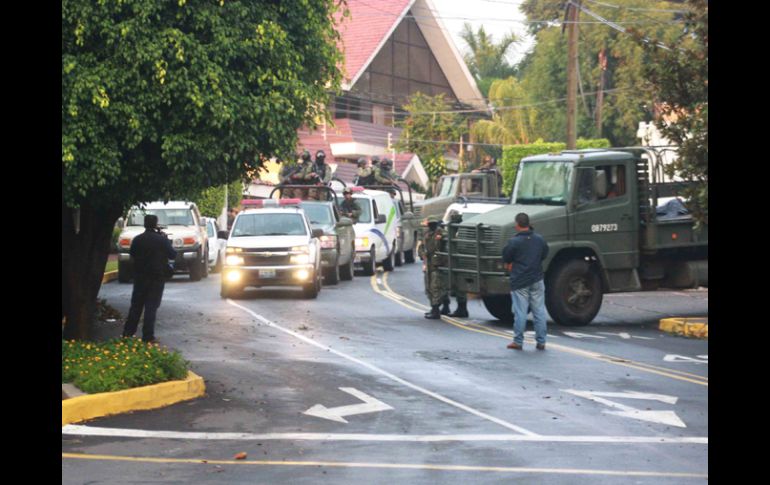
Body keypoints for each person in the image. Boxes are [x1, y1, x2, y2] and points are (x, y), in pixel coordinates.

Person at [122, 214, 177, 344]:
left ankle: (128, 333)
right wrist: (166, 240)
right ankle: (148, 336)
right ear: (156, 224)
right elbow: (173, 254)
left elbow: (132, 254)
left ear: (144, 224)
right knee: (151, 307)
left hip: (140, 277)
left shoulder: (137, 239)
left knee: (136, 306)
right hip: (156, 278)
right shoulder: (161, 240)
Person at [501, 213, 549, 350]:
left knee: (520, 312)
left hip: (520, 280)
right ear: (528, 223)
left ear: (517, 225)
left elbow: (506, 257)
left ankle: (518, 341)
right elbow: (544, 254)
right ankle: (541, 341)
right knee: (539, 311)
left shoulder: (514, 242)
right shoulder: (539, 239)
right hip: (537, 278)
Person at [419, 216, 448, 319]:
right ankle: (433, 308)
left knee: (436, 287)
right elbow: (422, 247)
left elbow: (446, 245)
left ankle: (436, 310)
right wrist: (422, 254)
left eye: (433, 224)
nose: (432, 226)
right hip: (429, 264)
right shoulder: (426, 234)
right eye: (430, 224)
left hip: (438, 265)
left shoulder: (441, 233)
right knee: (429, 287)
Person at [446, 211, 468, 318]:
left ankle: (462, 309)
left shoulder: (461, 232)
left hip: (460, 262)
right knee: (457, 286)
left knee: (460, 287)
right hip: (456, 262)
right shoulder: (453, 232)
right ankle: (461, 308)